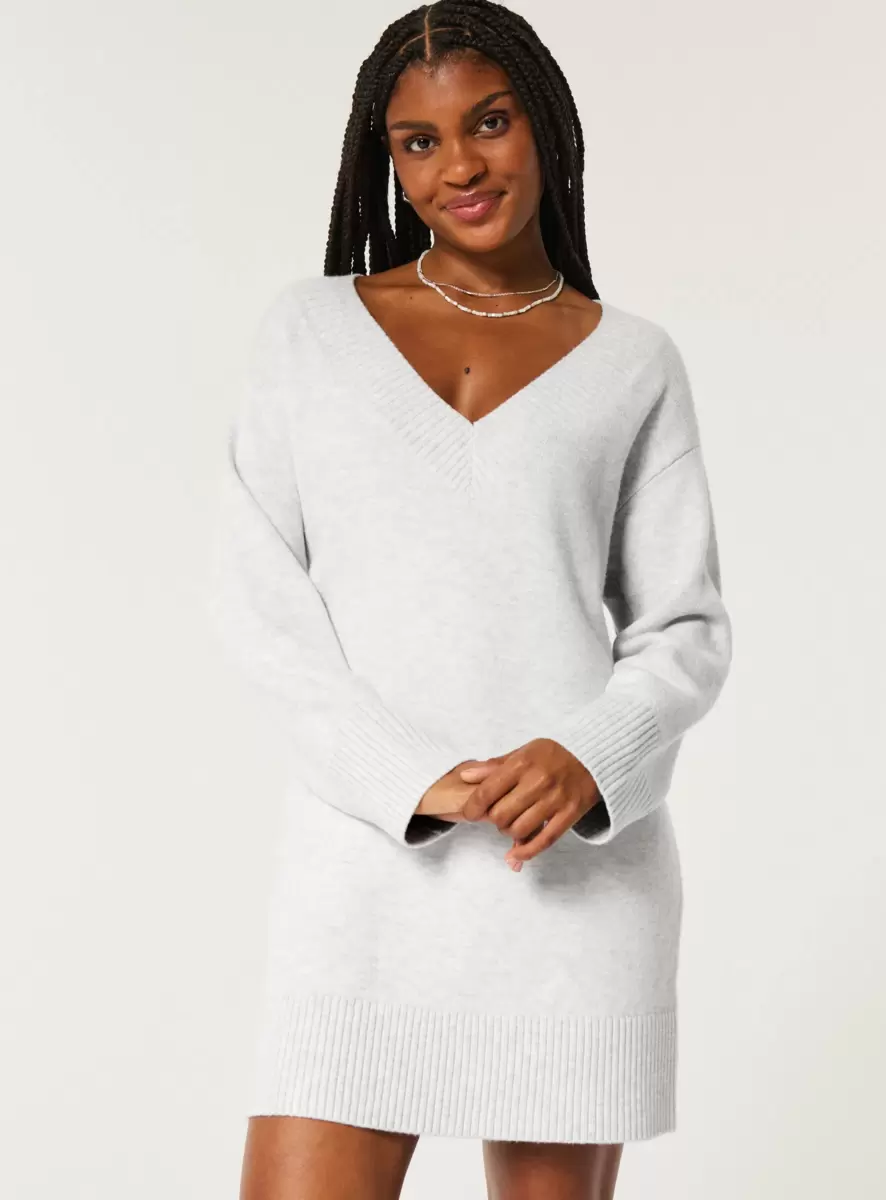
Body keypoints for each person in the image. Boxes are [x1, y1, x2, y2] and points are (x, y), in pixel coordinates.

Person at [206, 2, 734, 1197]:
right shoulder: (311, 333)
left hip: (567, 880)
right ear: (387, 162)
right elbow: (255, 600)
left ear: (542, 124)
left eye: (488, 123)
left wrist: (591, 755)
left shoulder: (633, 361)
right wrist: (407, 774)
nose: (460, 166)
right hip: (362, 870)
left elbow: (685, 627)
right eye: (420, 141)